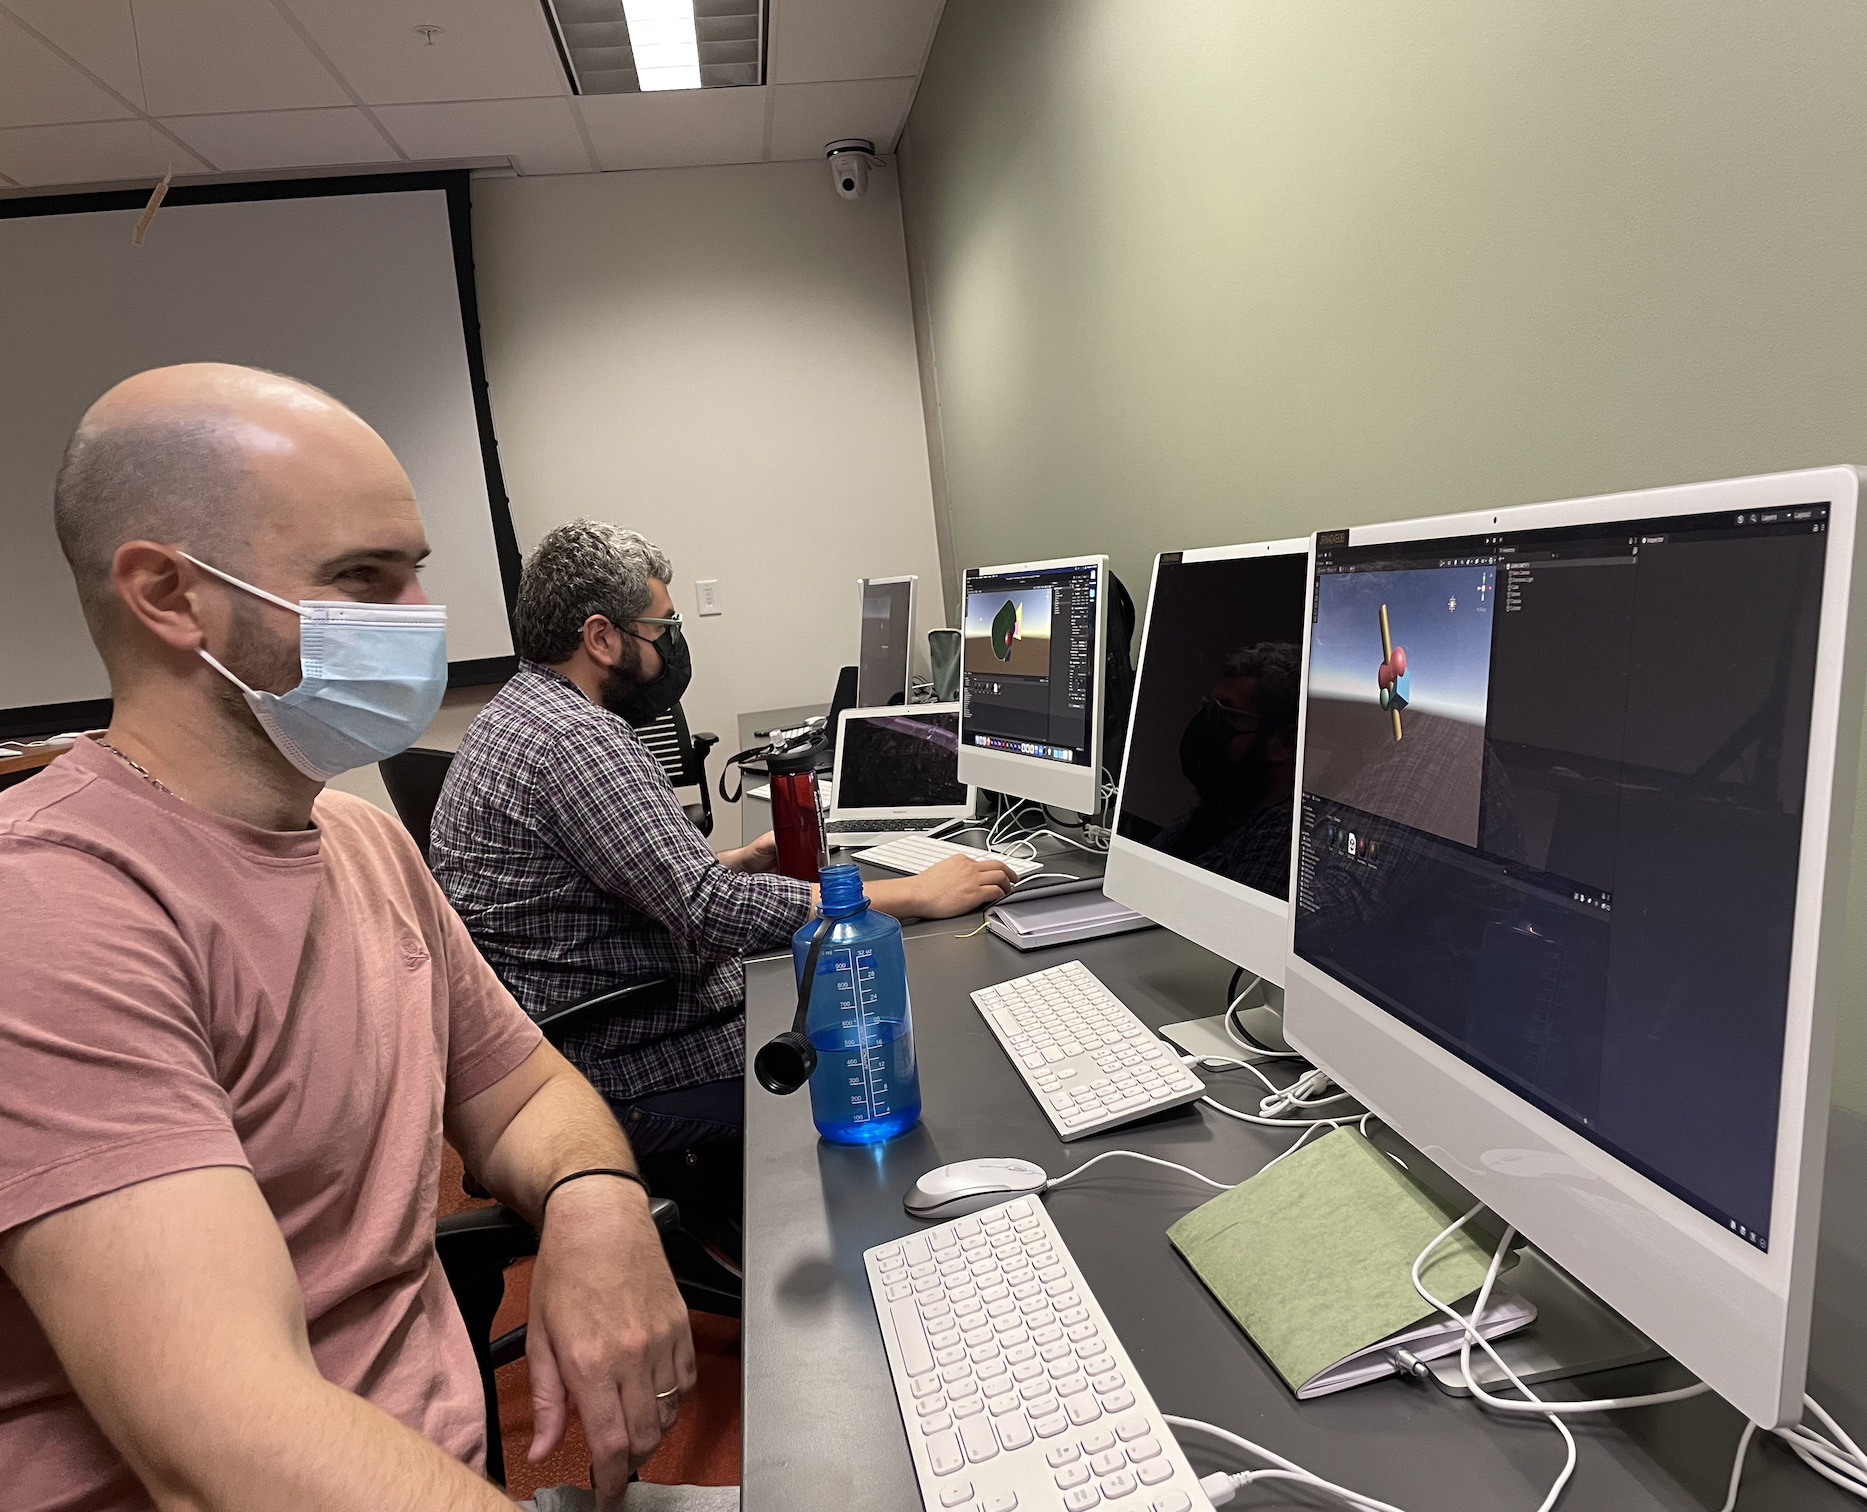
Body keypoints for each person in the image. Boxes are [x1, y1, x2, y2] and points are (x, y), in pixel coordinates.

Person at [0, 365, 688, 1512]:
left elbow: (522, 1098)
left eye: (416, 574)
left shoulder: (359, 842)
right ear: (170, 595)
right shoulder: (55, 910)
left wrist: (594, 1196)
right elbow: (222, 1446)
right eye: (364, 580)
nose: (419, 622)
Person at [431, 520, 1016, 1161]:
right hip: (625, 1065)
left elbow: (603, 878)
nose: (673, 648)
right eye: (663, 630)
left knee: (850, 995)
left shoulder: (519, 712)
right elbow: (710, 911)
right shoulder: (577, 741)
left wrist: (728, 861)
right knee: (895, 1050)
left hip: (569, 1041)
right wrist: (915, 894)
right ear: (601, 637)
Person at [1152, 641, 1302, 899]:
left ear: (1284, 743)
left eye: (1227, 715)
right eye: (1209, 709)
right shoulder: (1217, 812)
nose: (1208, 726)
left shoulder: (1283, 841)